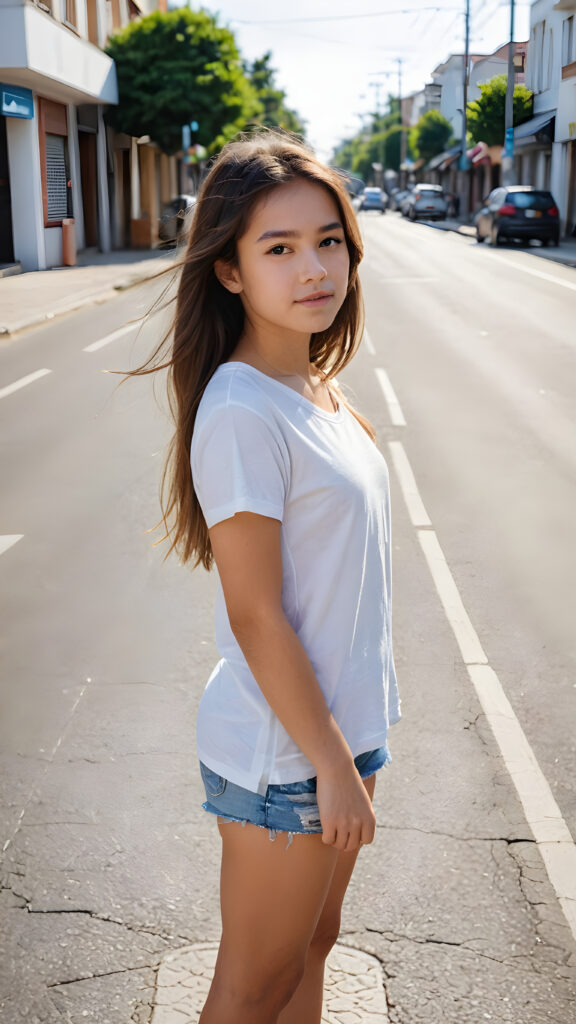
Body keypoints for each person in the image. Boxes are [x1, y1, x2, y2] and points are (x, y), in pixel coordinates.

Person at [124, 130, 401, 1024]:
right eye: (277, 248)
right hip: (290, 757)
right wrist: (327, 763)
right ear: (232, 271)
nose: (313, 267)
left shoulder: (314, 385)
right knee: (251, 989)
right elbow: (255, 614)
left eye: (327, 240)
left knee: (307, 957)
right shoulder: (244, 409)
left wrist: (346, 749)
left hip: (339, 732)